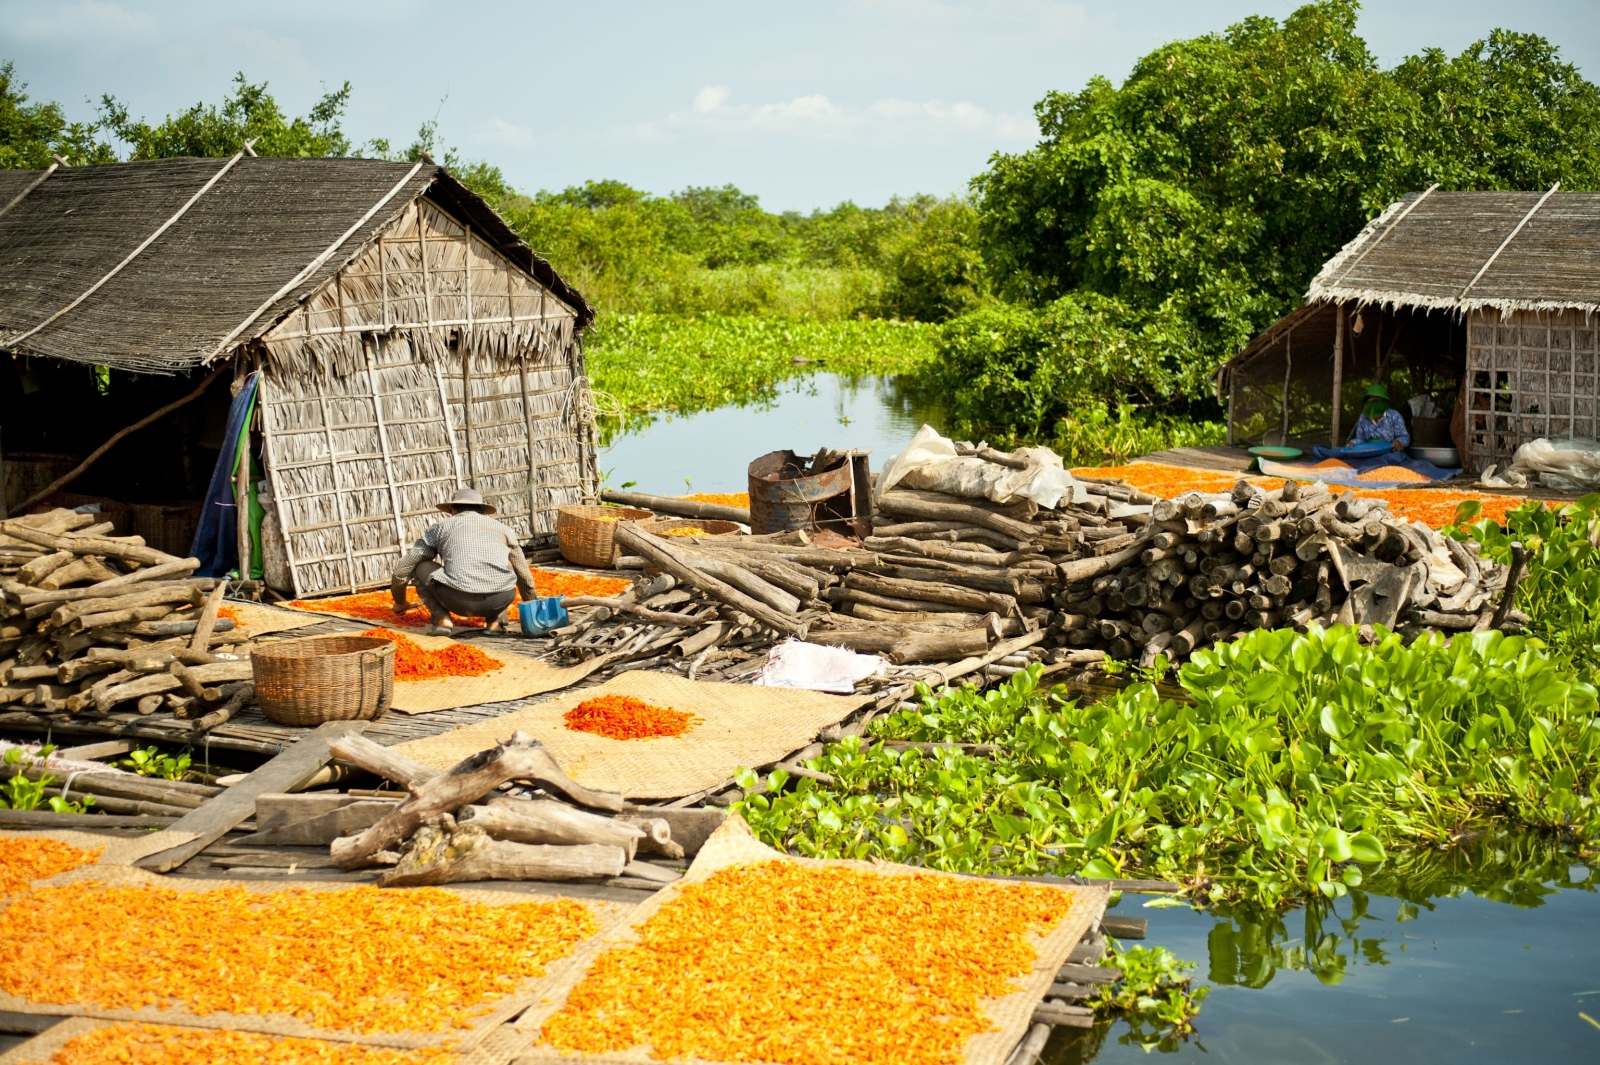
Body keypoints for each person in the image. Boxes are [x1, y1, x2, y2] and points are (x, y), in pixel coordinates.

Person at [391, 488, 535, 636]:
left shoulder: (440, 528)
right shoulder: (504, 530)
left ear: (452, 510)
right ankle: (494, 623)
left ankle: (442, 620)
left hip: (457, 600)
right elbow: (524, 576)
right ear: (481, 511)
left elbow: (402, 570)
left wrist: (400, 601)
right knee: (505, 566)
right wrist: (532, 607)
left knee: (420, 566)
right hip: (499, 600)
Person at [1349, 382, 1410, 451]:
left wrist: (1399, 443)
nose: (1373, 401)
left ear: (1383, 401)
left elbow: (1404, 437)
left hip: (1390, 453)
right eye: (1371, 398)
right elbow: (1360, 438)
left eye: (1376, 398)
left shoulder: (1394, 415)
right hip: (1368, 453)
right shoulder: (1364, 417)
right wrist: (1353, 443)